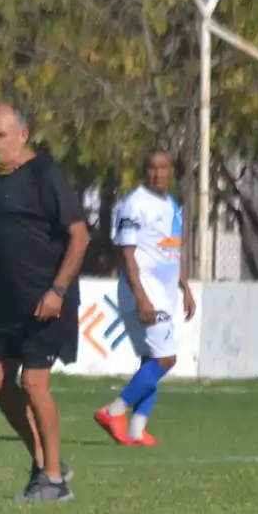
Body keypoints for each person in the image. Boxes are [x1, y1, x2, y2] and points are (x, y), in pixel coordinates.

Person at [0, 104, 90, 503]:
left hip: (46, 300)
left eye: (0, 135)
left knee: (34, 382)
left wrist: (58, 292)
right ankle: (45, 459)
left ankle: (53, 481)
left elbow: (80, 236)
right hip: (8, 301)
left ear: (24, 134)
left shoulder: (46, 175)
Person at [95, 149, 197, 446]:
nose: (157, 174)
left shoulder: (172, 205)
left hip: (163, 294)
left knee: (151, 360)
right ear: (145, 171)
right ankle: (113, 411)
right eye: (152, 168)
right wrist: (141, 298)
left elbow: (170, 251)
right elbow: (126, 255)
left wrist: (185, 288)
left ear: (171, 171)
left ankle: (136, 429)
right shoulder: (135, 204)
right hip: (143, 293)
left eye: (163, 168)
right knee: (166, 358)